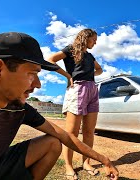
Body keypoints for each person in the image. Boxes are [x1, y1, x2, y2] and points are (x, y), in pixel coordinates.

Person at [0, 32, 119, 180]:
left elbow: (63, 136)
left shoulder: (17, 107)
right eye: (32, 73)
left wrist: (104, 159)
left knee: (52, 143)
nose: (38, 84)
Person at [47, 28, 102, 179]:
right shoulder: (70, 50)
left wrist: (92, 74)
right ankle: (69, 166)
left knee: (89, 132)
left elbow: (100, 70)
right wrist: (67, 75)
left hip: (92, 89)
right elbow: (50, 59)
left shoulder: (90, 56)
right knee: (72, 133)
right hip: (78, 88)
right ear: (85, 37)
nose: (95, 43)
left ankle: (86, 163)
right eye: (93, 39)